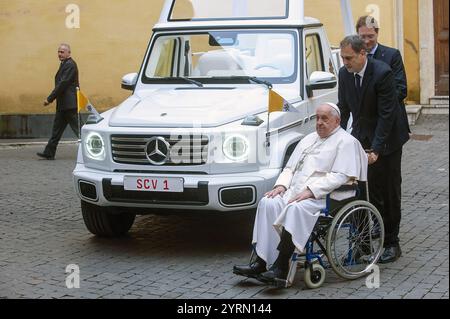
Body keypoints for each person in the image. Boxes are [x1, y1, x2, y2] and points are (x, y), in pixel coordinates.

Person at [233, 103, 368, 283]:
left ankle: (281, 267)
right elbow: (290, 168)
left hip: (328, 197)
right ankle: (261, 261)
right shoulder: (308, 139)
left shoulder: (347, 142)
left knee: (295, 208)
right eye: (317, 118)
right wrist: (281, 186)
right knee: (268, 201)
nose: (319, 122)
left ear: (337, 121)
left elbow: (340, 176)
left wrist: (311, 191)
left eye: (324, 118)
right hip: (296, 192)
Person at [337, 35, 410, 263]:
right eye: (343, 58)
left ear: (362, 54)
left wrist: (376, 149)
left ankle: (391, 243)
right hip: (361, 137)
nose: (345, 63)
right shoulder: (344, 74)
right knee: (359, 191)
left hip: (387, 140)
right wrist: (334, 140)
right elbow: (344, 108)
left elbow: (387, 115)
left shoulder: (382, 73)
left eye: (349, 58)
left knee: (387, 193)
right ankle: (362, 243)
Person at [356, 15, 411, 133]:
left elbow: (401, 89)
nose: (366, 41)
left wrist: (377, 108)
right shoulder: (353, 58)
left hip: (390, 123)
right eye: (362, 37)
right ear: (357, 35)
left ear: (377, 33)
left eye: (370, 36)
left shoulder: (392, 55)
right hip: (364, 126)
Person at [37, 43, 80, 160]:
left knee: (80, 131)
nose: (59, 54)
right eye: (59, 52)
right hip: (63, 105)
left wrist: (49, 99)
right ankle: (49, 152)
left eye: (62, 52)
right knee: (56, 131)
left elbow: (63, 84)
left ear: (68, 53)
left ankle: (94, 151)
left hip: (69, 105)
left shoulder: (70, 64)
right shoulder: (64, 64)